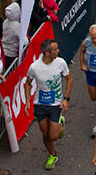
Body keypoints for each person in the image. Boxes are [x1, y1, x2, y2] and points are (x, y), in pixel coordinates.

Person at [25, 38, 73, 170]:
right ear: (47, 53)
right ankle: (52, 155)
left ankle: (60, 122)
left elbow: (69, 79)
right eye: (55, 49)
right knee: (45, 134)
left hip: (55, 104)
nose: (58, 51)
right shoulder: (34, 67)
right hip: (40, 104)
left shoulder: (61, 63)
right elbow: (27, 83)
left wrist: (66, 99)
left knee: (53, 135)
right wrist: (27, 101)